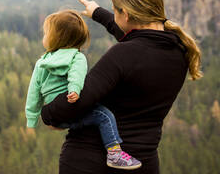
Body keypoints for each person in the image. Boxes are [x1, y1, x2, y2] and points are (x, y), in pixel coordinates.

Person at [41, 0, 202, 174]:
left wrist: (48, 114)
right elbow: (140, 41)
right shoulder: (180, 52)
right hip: (144, 163)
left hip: (91, 162)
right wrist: (98, 13)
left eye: (117, 12)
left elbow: (79, 100)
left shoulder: (123, 55)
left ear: (125, 14)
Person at [25, 9, 141, 170]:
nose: (43, 37)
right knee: (104, 115)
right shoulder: (76, 57)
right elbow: (76, 75)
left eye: (46, 34)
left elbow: (34, 92)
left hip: (55, 114)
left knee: (88, 120)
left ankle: (82, 130)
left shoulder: (41, 62)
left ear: (56, 37)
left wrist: (32, 118)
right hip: (71, 104)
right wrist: (74, 90)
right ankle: (114, 153)